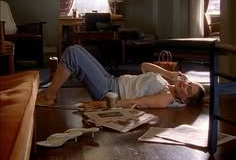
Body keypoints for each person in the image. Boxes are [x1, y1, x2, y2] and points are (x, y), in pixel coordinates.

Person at [37, 45, 205, 109]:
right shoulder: (168, 84)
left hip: (108, 91)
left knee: (72, 54)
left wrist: (100, 105)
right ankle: (50, 92)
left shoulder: (166, 98)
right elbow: (144, 66)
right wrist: (170, 74)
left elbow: (135, 103)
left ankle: (49, 96)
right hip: (111, 80)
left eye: (188, 89)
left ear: (185, 101)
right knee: (77, 48)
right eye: (189, 82)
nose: (185, 84)